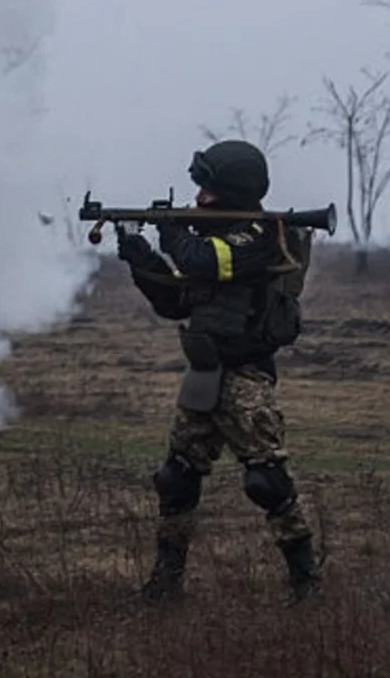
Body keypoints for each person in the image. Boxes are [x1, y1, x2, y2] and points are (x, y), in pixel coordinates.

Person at [114, 139, 323, 604]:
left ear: (234, 190)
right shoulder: (217, 237)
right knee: (176, 477)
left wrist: (169, 229)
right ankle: (166, 583)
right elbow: (174, 301)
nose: (200, 198)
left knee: (267, 482)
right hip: (204, 375)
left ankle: (306, 582)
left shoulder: (257, 236)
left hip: (245, 377)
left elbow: (201, 260)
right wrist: (140, 258)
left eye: (208, 189)